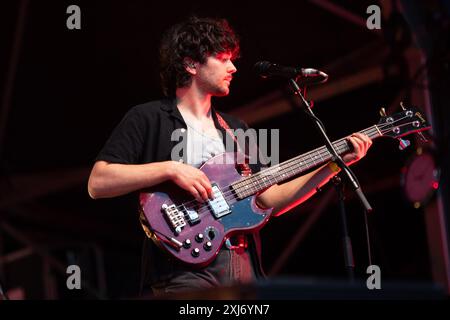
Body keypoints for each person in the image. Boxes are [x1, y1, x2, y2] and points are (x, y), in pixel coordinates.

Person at [87, 16, 372, 297]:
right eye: (223, 58)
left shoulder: (237, 129)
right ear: (191, 64)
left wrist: (335, 164)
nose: (233, 67)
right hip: (181, 274)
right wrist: (171, 169)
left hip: (242, 267)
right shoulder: (148, 118)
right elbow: (98, 183)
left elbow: (270, 200)